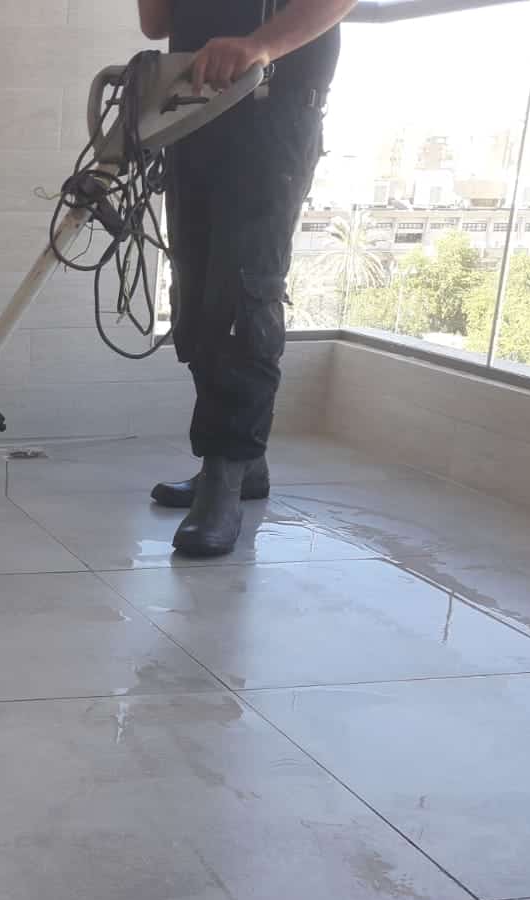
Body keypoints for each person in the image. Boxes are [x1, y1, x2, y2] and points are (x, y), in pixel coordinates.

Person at [139, 0, 355, 555]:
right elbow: (156, 23)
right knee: (194, 289)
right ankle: (244, 461)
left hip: (272, 108)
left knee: (243, 292)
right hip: (192, 107)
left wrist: (261, 45)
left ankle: (225, 473)